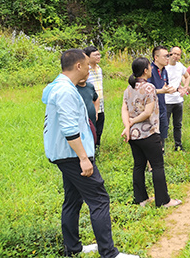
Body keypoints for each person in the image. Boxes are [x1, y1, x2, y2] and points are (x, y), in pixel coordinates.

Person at [42, 49, 138, 258]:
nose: (89, 69)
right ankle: (109, 253)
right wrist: (84, 158)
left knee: (72, 199)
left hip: (64, 154)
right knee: (99, 199)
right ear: (78, 66)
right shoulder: (66, 91)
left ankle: (73, 248)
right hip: (73, 155)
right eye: (87, 65)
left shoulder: (58, 86)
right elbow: (69, 129)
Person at [121, 57, 181, 208]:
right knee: (157, 166)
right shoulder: (149, 88)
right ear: (146, 70)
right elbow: (148, 113)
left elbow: (124, 109)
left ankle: (141, 199)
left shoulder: (129, 88)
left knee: (138, 166)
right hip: (149, 133)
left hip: (134, 135)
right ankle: (163, 201)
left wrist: (128, 125)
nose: (152, 69)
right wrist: (133, 122)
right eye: (150, 67)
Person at [147, 46, 175, 149]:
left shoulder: (164, 71)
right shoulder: (149, 70)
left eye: (168, 56)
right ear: (156, 57)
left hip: (162, 106)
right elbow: (146, 91)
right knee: (153, 135)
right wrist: (162, 91)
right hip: (151, 109)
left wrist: (169, 89)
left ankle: (161, 154)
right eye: (165, 56)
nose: (168, 58)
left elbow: (164, 86)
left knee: (162, 132)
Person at [165, 46, 190, 151]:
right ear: (170, 54)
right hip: (166, 100)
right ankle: (162, 147)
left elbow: (187, 76)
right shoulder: (164, 66)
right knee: (164, 125)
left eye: (178, 54)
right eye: (174, 53)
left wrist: (185, 88)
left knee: (178, 125)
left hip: (178, 100)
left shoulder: (180, 66)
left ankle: (178, 145)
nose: (175, 56)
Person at [84, 46, 105, 148]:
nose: (98, 56)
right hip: (90, 107)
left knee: (99, 130)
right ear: (87, 57)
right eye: (95, 55)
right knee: (91, 131)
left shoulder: (99, 69)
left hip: (100, 106)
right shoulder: (85, 70)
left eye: (99, 54)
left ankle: (97, 150)